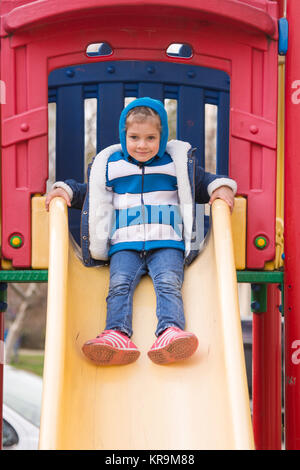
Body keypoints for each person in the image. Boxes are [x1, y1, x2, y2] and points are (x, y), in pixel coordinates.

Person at [45, 97, 236, 366]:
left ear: (162, 137)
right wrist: (64, 190)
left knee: (169, 283)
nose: (142, 145)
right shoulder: (113, 166)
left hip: (167, 241)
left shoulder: (175, 164)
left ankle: (170, 332)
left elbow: (203, 183)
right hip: (124, 243)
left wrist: (221, 188)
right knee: (119, 285)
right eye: (134, 137)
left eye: (150, 137)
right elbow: (91, 194)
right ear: (124, 137)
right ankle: (117, 334)